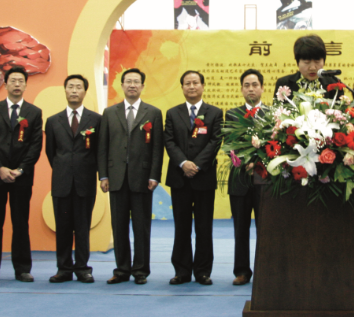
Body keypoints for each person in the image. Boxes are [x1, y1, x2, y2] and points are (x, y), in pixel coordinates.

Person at [98, 68, 164, 285]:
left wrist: (154, 175)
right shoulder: (110, 113)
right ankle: (122, 270)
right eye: (128, 81)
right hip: (116, 177)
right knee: (119, 227)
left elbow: (157, 148)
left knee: (141, 227)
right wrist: (103, 175)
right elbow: (102, 146)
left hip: (143, 178)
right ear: (122, 85)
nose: (132, 85)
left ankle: (141, 270)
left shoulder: (153, 113)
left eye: (136, 81)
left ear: (143, 86)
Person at [0, 67, 43, 283]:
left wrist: (21, 169)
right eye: (13, 81)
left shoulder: (34, 112)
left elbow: (35, 145)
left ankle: (22, 269)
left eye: (20, 81)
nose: (17, 84)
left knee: (20, 223)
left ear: (25, 85)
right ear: (5, 84)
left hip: (21, 177)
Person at [164, 70, 223, 286]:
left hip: (203, 177)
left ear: (202, 86)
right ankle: (181, 271)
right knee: (181, 227)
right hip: (179, 178)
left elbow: (215, 141)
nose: (191, 86)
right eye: (187, 83)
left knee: (204, 227)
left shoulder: (215, 113)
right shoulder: (172, 113)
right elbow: (169, 141)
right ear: (182, 87)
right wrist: (183, 163)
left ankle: (202, 271)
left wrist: (196, 165)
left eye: (195, 83)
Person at [45, 74, 101, 283]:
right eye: (71, 87)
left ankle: (83, 268)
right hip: (61, 182)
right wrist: (65, 169)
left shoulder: (96, 120)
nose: (74, 90)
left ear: (85, 91)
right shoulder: (53, 121)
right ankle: (64, 268)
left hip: (85, 182)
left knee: (83, 227)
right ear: (65, 90)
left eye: (79, 87)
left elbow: (99, 151)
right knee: (63, 227)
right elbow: (51, 152)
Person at [227, 68, 265, 286]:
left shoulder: (272, 114)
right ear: (242, 89)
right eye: (247, 85)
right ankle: (242, 271)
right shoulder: (232, 114)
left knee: (265, 228)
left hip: (265, 181)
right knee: (240, 228)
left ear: (262, 88)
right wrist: (244, 162)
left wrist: (257, 163)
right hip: (240, 180)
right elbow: (229, 144)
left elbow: (276, 144)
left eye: (255, 85)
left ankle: (264, 270)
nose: (251, 89)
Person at [273, 35, 342, 99]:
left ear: (324, 60)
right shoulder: (284, 83)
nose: (312, 68)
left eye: (317, 61)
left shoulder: (334, 83)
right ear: (298, 62)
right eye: (307, 62)